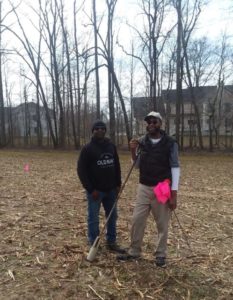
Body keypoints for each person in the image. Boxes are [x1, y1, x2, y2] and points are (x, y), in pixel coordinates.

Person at [117, 111, 180, 267]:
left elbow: (175, 168)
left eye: (154, 122)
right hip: (144, 186)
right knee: (137, 219)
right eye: (148, 122)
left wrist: (174, 195)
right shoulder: (142, 142)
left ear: (160, 123)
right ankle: (134, 251)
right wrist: (132, 150)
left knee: (162, 223)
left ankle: (160, 254)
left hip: (162, 187)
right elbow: (136, 165)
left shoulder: (170, 143)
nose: (151, 124)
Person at [77, 120, 126, 254]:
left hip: (111, 190)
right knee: (93, 217)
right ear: (92, 131)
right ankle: (94, 242)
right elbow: (81, 170)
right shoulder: (87, 149)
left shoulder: (111, 146)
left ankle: (111, 241)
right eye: (97, 128)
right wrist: (90, 189)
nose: (100, 130)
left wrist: (118, 184)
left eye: (102, 128)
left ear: (105, 131)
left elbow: (117, 166)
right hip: (96, 192)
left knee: (112, 216)